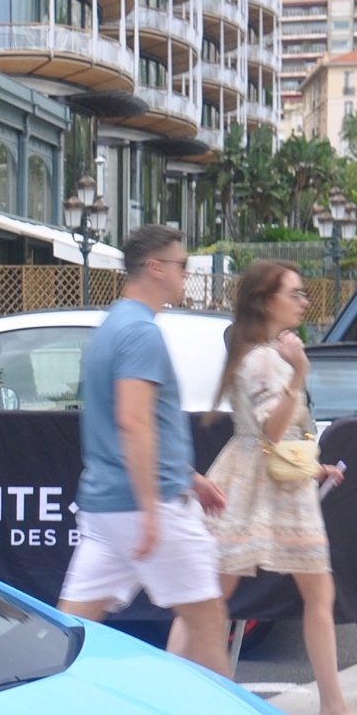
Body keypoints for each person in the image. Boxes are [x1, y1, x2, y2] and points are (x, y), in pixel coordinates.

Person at [205, 262, 357, 715]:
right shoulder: (266, 357)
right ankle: (332, 709)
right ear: (267, 301)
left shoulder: (259, 352)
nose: (304, 301)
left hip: (268, 482)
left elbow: (272, 437)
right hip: (265, 487)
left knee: (215, 597)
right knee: (216, 598)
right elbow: (270, 432)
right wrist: (298, 371)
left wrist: (313, 466)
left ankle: (329, 708)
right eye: (295, 293)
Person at [54, 224, 230, 674]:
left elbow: (138, 423)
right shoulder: (141, 334)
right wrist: (152, 507)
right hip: (146, 508)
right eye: (181, 265)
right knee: (209, 622)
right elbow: (132, 421)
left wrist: (190, 477)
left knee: (68, 631)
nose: (185, 275)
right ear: (155, 268)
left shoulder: (114, 326)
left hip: (106, 506)